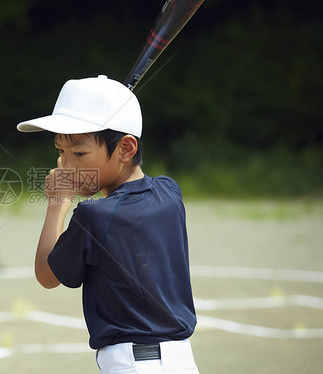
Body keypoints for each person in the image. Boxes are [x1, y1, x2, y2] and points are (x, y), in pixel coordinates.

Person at [17, 75, 199, 374]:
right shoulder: (169, 191)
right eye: (61, 152)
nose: (67, 165)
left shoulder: (93, 216)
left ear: (126, 149)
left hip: (133, 366)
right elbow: (132, 190)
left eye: (79, 153)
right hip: (182, 363)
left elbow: (47, 275)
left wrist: (58, 201)